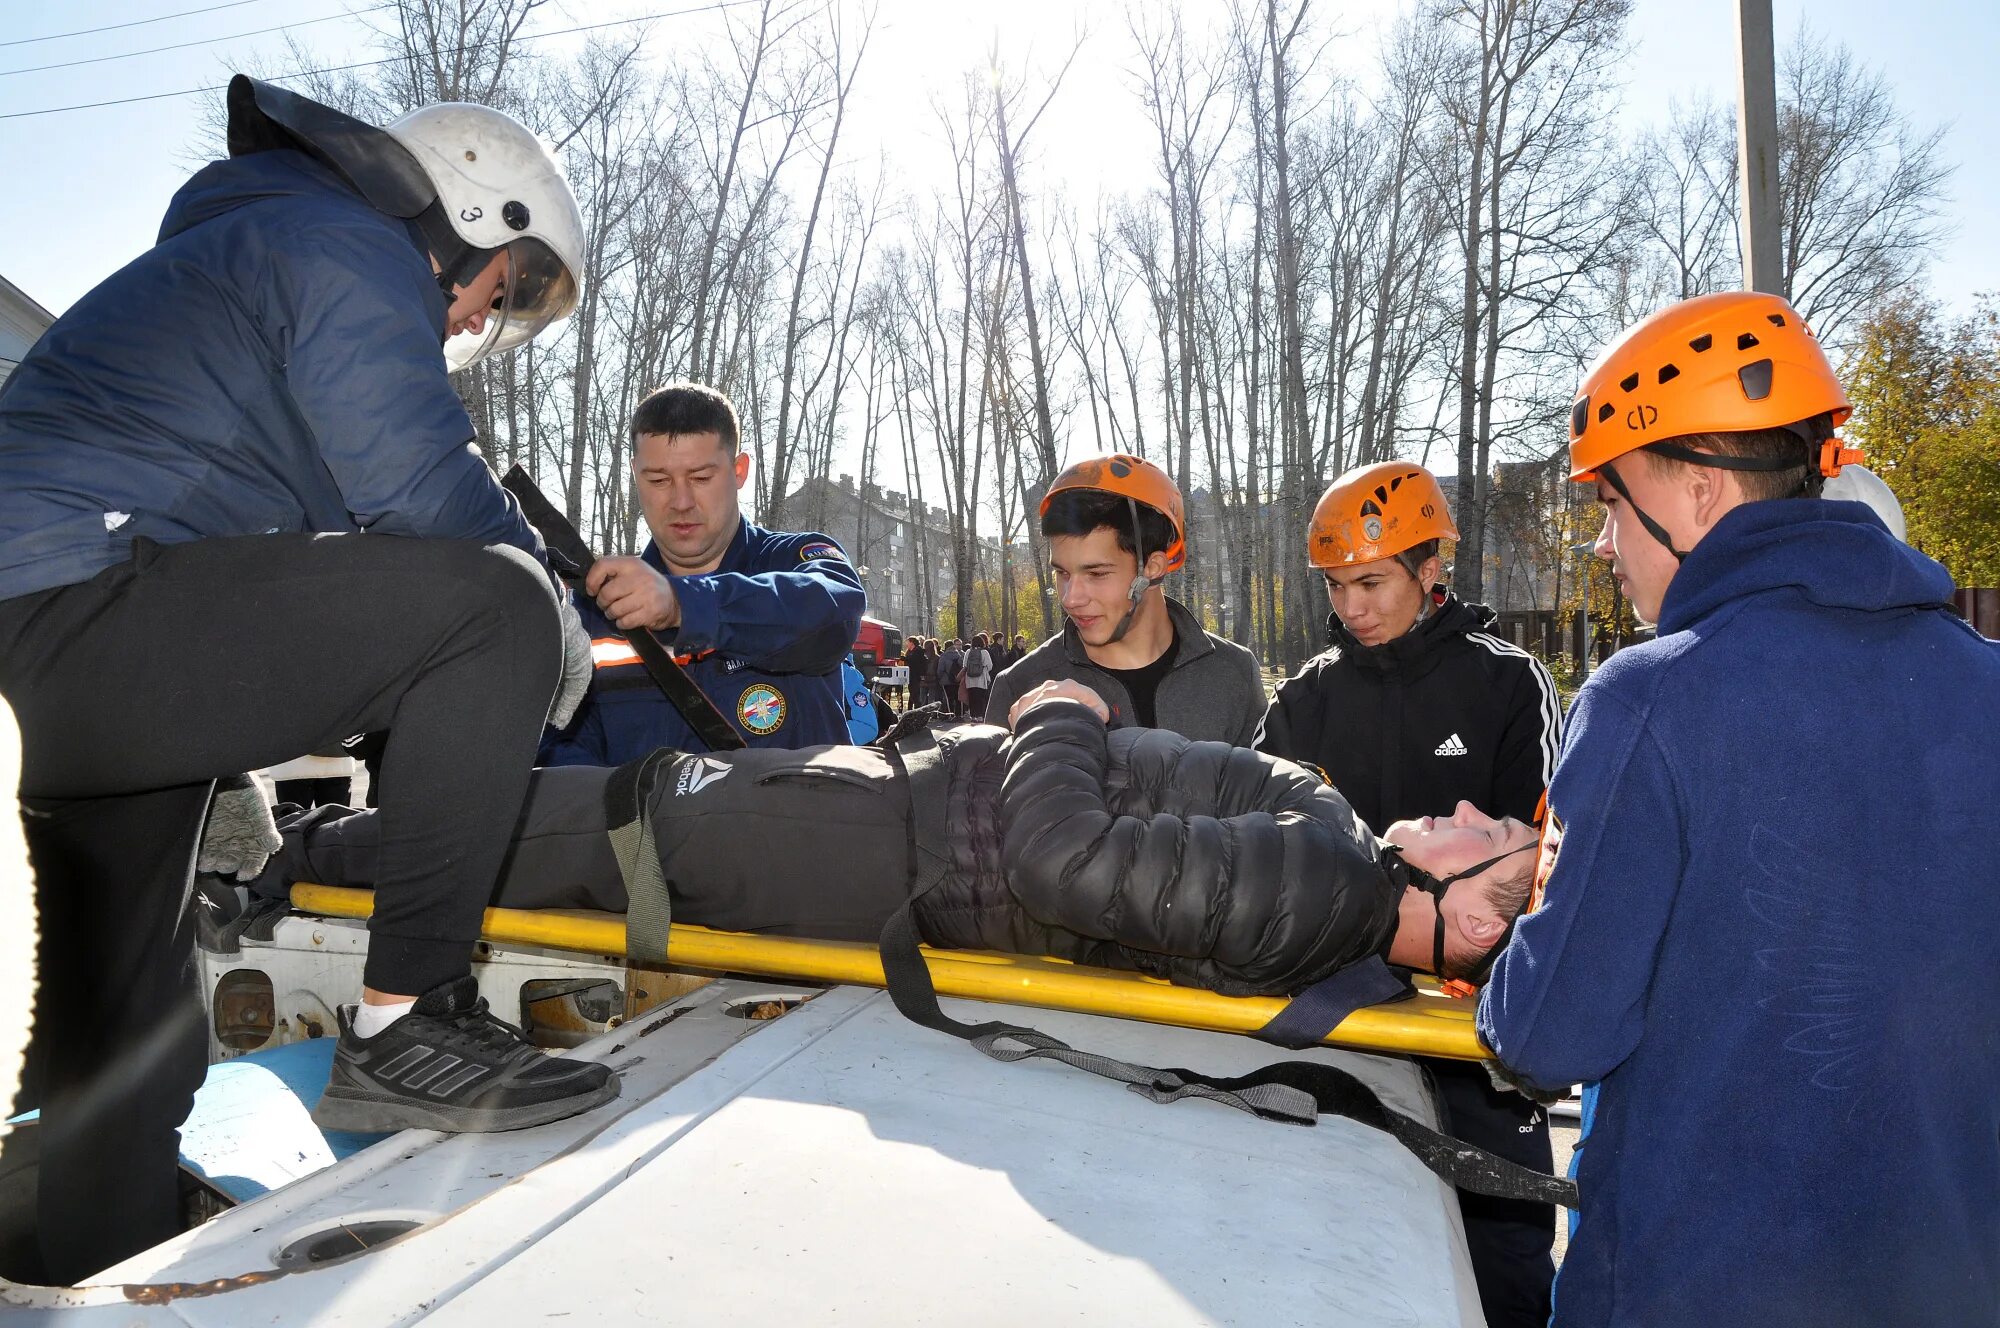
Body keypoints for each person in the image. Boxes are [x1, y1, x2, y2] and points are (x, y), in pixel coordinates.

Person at [0, 79, 616, 1283]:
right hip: (65, 610)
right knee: (493, 606)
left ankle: (89, 1262)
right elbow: (425, 497)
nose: (478, 323)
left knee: (128, 1038)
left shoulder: (259, 251)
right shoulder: (337, 239)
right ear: (473, 218)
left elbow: (343, 560)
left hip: (71, 641)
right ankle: (408, 1017)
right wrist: (546, 605)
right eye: (502, 289)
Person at [1479, 291, 2000, 1326]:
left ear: (1699, 494)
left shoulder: (1647, 699)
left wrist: (1506, 915)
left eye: (1608, 504)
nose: (1599, 543)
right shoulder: (1983, 682)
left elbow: (1546, 1032)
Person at [256, 680, 1543, 1003]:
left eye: (1490, 837)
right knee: (596, 817)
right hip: (901, 821)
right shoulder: (1332, 858)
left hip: (891, 845)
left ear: (1476, 914)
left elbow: (1064, 862)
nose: (1473, 811)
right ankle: (317, 845)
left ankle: (293, 856)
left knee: (593, 825)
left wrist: (1050, 712)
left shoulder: (1325, 883)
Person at [1255, 459, 1562, 1328]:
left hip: (1476, 1041)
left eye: (1372, 581)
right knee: (1335, 1255)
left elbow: (1540, 870)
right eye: (1336, 585)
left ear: (1431, 572)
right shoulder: (1303, 699)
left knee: (1503, 1251)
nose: (1351, 606)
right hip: (1337, 1019)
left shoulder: (1508, 683)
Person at [539, 383, 866, 765]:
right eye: (658, 480)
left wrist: (683, 605)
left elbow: (835, 612)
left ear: (739, 470)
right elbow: (563, 762)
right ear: (635, 474)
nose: (680, 501)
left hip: (797, 823)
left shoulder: (793, 560)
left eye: (700, 477)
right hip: (648, 828)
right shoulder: (597, 611)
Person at [988, 454, 1264, 743]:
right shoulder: (1021, 687)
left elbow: (1271, 787)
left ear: (1153, 568)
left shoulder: (1234, 673)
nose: (1071, 599)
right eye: (1062, 573)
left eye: (1096, 574)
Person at [961, 632, 995, 719]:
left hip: (970, 679)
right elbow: (990, 666)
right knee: (980, 698)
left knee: (972, 698)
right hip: (981, 679)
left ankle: (973, 716)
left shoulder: (968, 652)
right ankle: (980, 716)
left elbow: (964, 665)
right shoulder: (984, 652)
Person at [934, 638, 965, 717]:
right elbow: (962, 667)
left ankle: (951, 715)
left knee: (949, 699)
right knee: (958, 698)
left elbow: (940, 669)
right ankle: (959, 715)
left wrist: (940, 678)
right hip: (957, 679)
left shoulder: (944, 656)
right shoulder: (959, 654)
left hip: (946, 681)